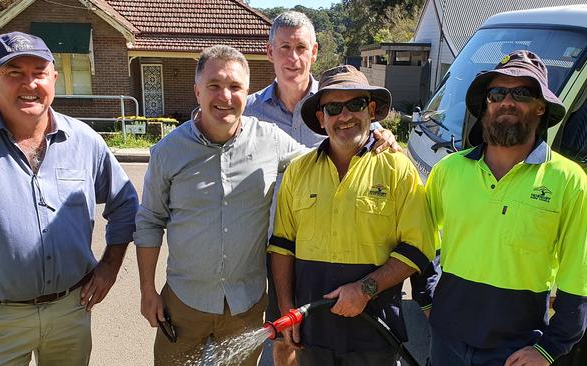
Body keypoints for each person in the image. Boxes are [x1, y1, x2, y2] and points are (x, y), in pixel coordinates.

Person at [0, 32, 138, 365]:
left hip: (70, 314)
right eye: (14, 73)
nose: (28, 83)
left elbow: (126, 204)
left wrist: (109, 268)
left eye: (38, 72)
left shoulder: (84, 141)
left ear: (53, 78)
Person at [244, 11, 402, 365]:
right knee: (286, 338)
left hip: (332, 249)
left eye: (301, 47)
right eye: (284, 47)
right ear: (269, 52)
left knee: (329, 345)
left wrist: (385, 136)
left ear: (315, 51)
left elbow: (364, 136)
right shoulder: (248, 112)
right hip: (273, 248)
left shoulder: (339, 100)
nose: (292, 57)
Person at [134, 45, 306, 366]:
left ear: (247, 92)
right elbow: (149, 223)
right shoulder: (168, 152)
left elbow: (321, 159)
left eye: (235, 87)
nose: (224, 96)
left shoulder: (270, 140)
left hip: (247, 304)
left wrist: (374, 139)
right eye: (214, 85)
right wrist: (147, 291)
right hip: (185, 304)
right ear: (198, 90)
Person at [426, 50, 587, 366]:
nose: (507, 101)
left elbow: (578, 276)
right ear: (486, 105)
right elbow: (421, 238)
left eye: (522, 93)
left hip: (517, 350)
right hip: (447, 341)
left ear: (541, 107)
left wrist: (550, 348)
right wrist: (425, 298)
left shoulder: (570, 181)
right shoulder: (448, 170)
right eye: (497, 93)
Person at [268, 65, 436, 366]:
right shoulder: (298, 171)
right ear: (321, 118)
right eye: (333, 108)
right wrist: (285, 308)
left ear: (371, 110)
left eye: (355, 104)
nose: (344, 116)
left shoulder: (398, 169)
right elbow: (282, 245)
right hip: (312, 332)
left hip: (374, 335)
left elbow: (418, 247)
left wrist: (364, 289)